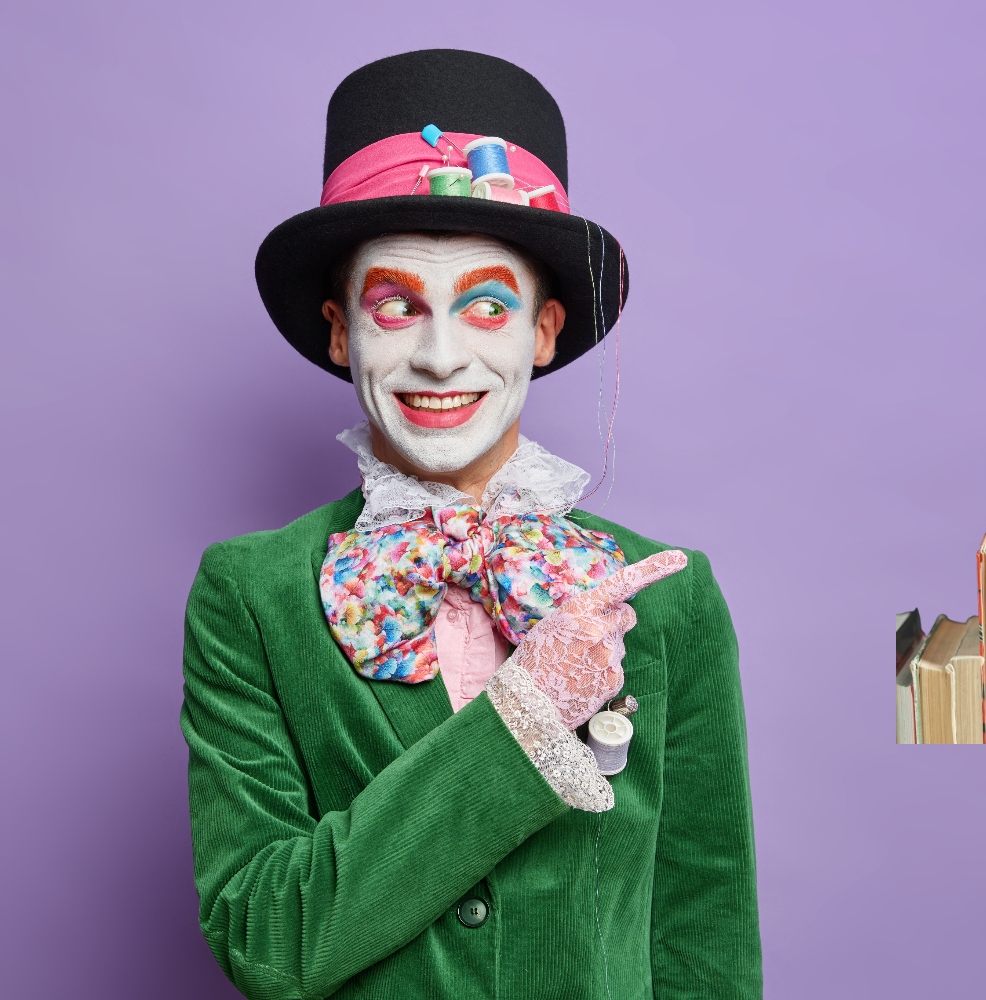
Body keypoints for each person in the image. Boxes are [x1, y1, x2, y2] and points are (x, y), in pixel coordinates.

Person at [180, 49, 760, 999]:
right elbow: (266, 942)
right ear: (341, 332)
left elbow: (707, 937)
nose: (440, 357)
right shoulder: (250, 593)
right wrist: (524, 717)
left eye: (486, 306)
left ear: (544, 330)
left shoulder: (669, 594)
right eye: (395, 306)